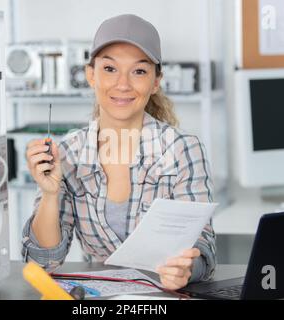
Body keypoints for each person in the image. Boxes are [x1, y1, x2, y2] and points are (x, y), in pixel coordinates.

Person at [22, 14, 216, 290]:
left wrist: (186, 269)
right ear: (91, 75)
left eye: (139, 71)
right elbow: (43, 263)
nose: (123, 84)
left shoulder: (183, 149)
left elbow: (204, 247)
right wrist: (50, 195)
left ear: (156, 81)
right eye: (110, 69)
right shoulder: (66, 153)